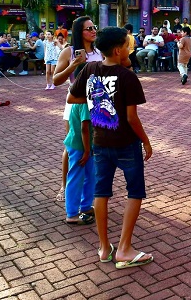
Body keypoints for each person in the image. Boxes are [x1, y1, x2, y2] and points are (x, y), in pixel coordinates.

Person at [67, 27, 154, 269]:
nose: (130, 50)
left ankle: (105, 248)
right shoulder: (128, 77)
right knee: (135, 192)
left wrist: (97, 99)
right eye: (127, 46)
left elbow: (72, 97)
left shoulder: (90, 68)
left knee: (101, 193)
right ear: (118, 50)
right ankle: (124, 248)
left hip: (100, 142)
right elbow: (132, 118)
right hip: (126, 144)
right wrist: (146, 141)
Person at [53, 16, 103, 201]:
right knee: (73, 145)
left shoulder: (100, 52)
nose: (93, 31)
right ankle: (64, 186)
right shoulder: (69, 52)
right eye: (88, 28)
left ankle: (90, 190)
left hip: (96, 104)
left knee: (95, 144)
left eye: (94, 27)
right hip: (75, 103)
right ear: (78, 32)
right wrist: (73, 65)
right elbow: (56, 80)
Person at [63, 101, 95, 225]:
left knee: (91, 175)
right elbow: (84, 128)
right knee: (76, 177)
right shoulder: (84, 102)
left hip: (86, 145)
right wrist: (86, 151)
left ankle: (86, 206)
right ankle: (71, 213)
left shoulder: (87, 100)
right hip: (79, 146)